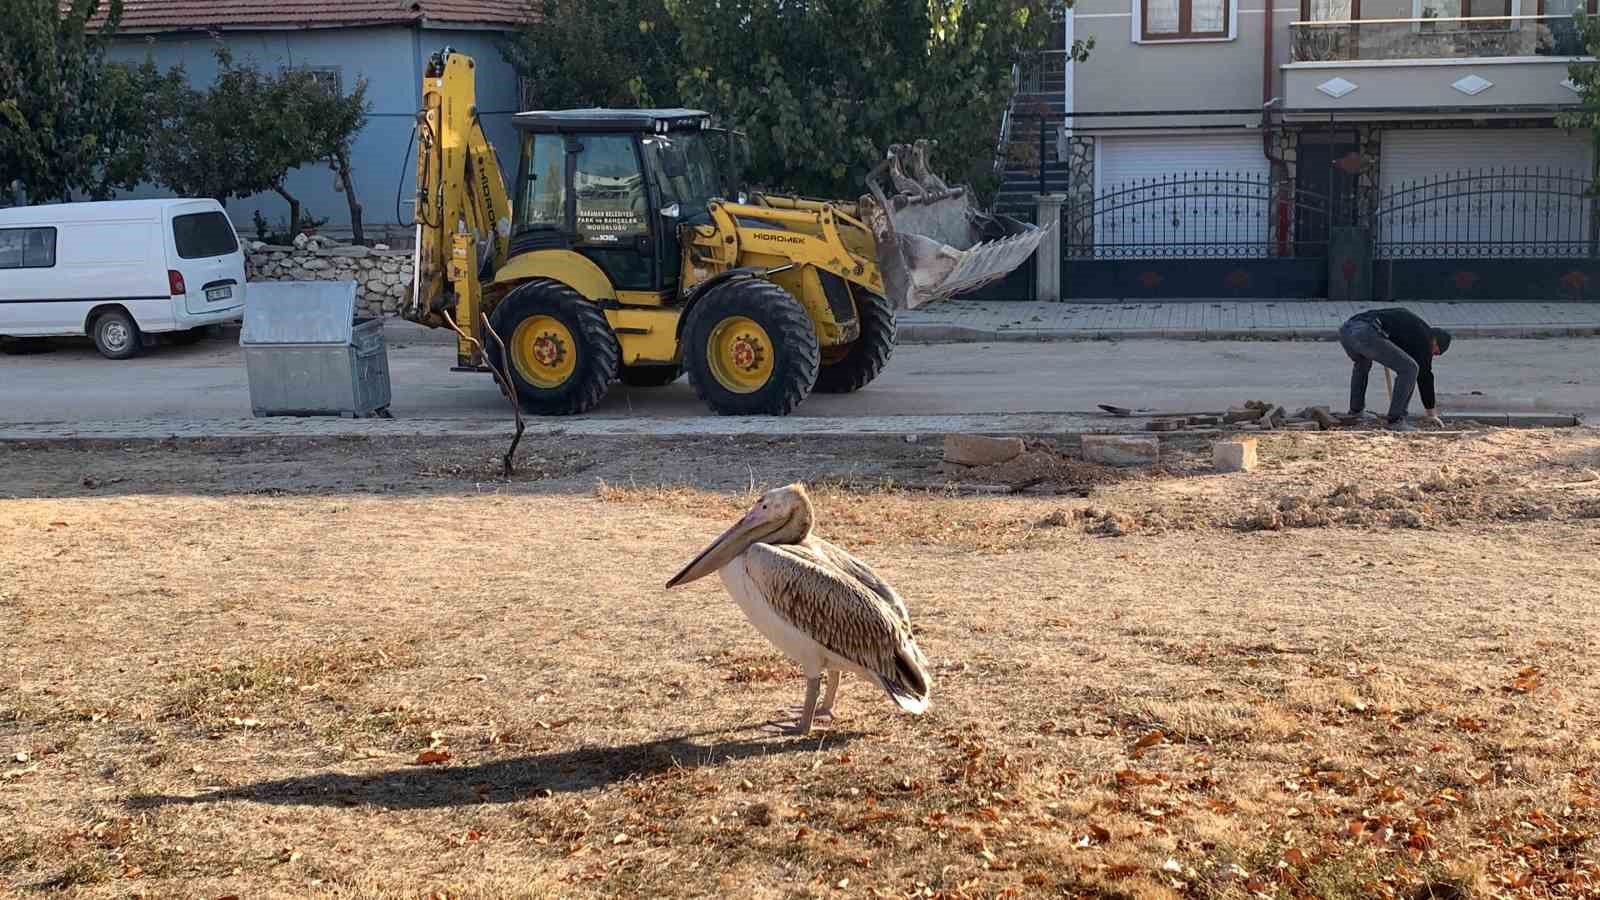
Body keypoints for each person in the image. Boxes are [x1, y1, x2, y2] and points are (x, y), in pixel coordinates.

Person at [1338, 307, 1452, 432]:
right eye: (1435, 352)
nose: (1432, 355)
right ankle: (1395, 421)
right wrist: (1431, 413)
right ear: (1435, 341)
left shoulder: (1414, 328)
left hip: (1347, 330)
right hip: (1367, 332)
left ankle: (1356, 411)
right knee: (1410, 369)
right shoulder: (1425, 338)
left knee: (1362, 363)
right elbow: (1425, 376)